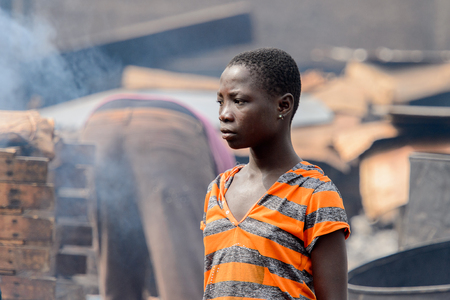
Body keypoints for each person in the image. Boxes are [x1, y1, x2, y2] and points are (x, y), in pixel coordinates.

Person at [200, 48, 350, 300]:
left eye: (239, 101)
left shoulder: (315, 193)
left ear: (283, 105)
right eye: (220, 101)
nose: (224, 114)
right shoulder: (217, 190)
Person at [81, 94, 235, 300]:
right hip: (167, 130)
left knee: (116, 273)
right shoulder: (229, 176)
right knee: (181, 271)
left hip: (99, 125)